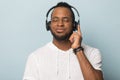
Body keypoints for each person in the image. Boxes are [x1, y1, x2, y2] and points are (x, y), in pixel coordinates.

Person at [23, 2, 104, 80]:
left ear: (74, 25)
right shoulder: (35, 57)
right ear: (49, 25)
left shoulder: (92, 53)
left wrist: (78, 49)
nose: (60, 24)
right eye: (55, 20)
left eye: (65, 20)